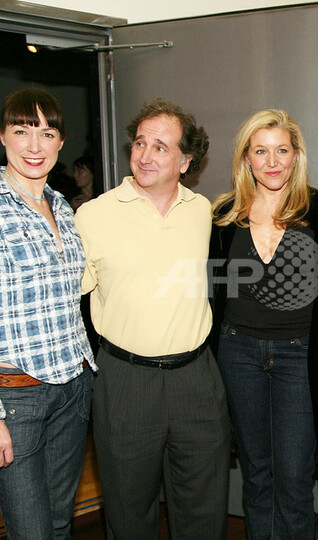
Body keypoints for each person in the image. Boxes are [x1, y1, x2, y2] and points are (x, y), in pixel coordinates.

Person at [75, 98, 231, 539]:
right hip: (126, 381)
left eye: (160, 147)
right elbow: (65, 299)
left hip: (197, 380)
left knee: (204, 512)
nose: (144, 155)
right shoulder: (93, 215)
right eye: (140, 143)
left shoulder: (204, 212)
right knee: (128, 514)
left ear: (185, 161)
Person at [0, 88, 96, 539]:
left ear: (61, 142)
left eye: (47, 133)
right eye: (21, 131)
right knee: (31, 532)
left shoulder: (62, 207)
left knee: (59, 523)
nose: (34, 145)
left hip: (73, 388)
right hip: (14, 399)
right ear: (1, 135)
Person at [209, 109, 318, 539]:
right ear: (246, 158)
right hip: (238, 353)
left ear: (296, 155)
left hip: (299, 355)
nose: (272, 161)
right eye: (261, 151)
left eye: (281, 150)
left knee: (294, 475)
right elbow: (211, 294)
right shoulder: (224, 215)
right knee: (256, 471)